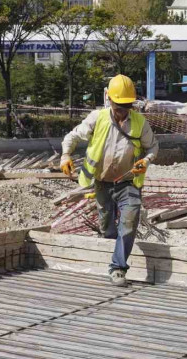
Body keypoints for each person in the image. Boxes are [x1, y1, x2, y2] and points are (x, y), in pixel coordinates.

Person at [60, 75, 159, 287]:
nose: (122, 109)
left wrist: (146, 160)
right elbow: (72, 136)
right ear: (109, 100)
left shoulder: (140, 123)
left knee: (130, 220)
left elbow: (153, 147)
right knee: (107, 226)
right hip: (102, 182)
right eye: (118, 105)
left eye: (126, 105)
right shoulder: (98, 118)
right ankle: (111, 249)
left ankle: (118, 268)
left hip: (128, 183)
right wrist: (65, 156)